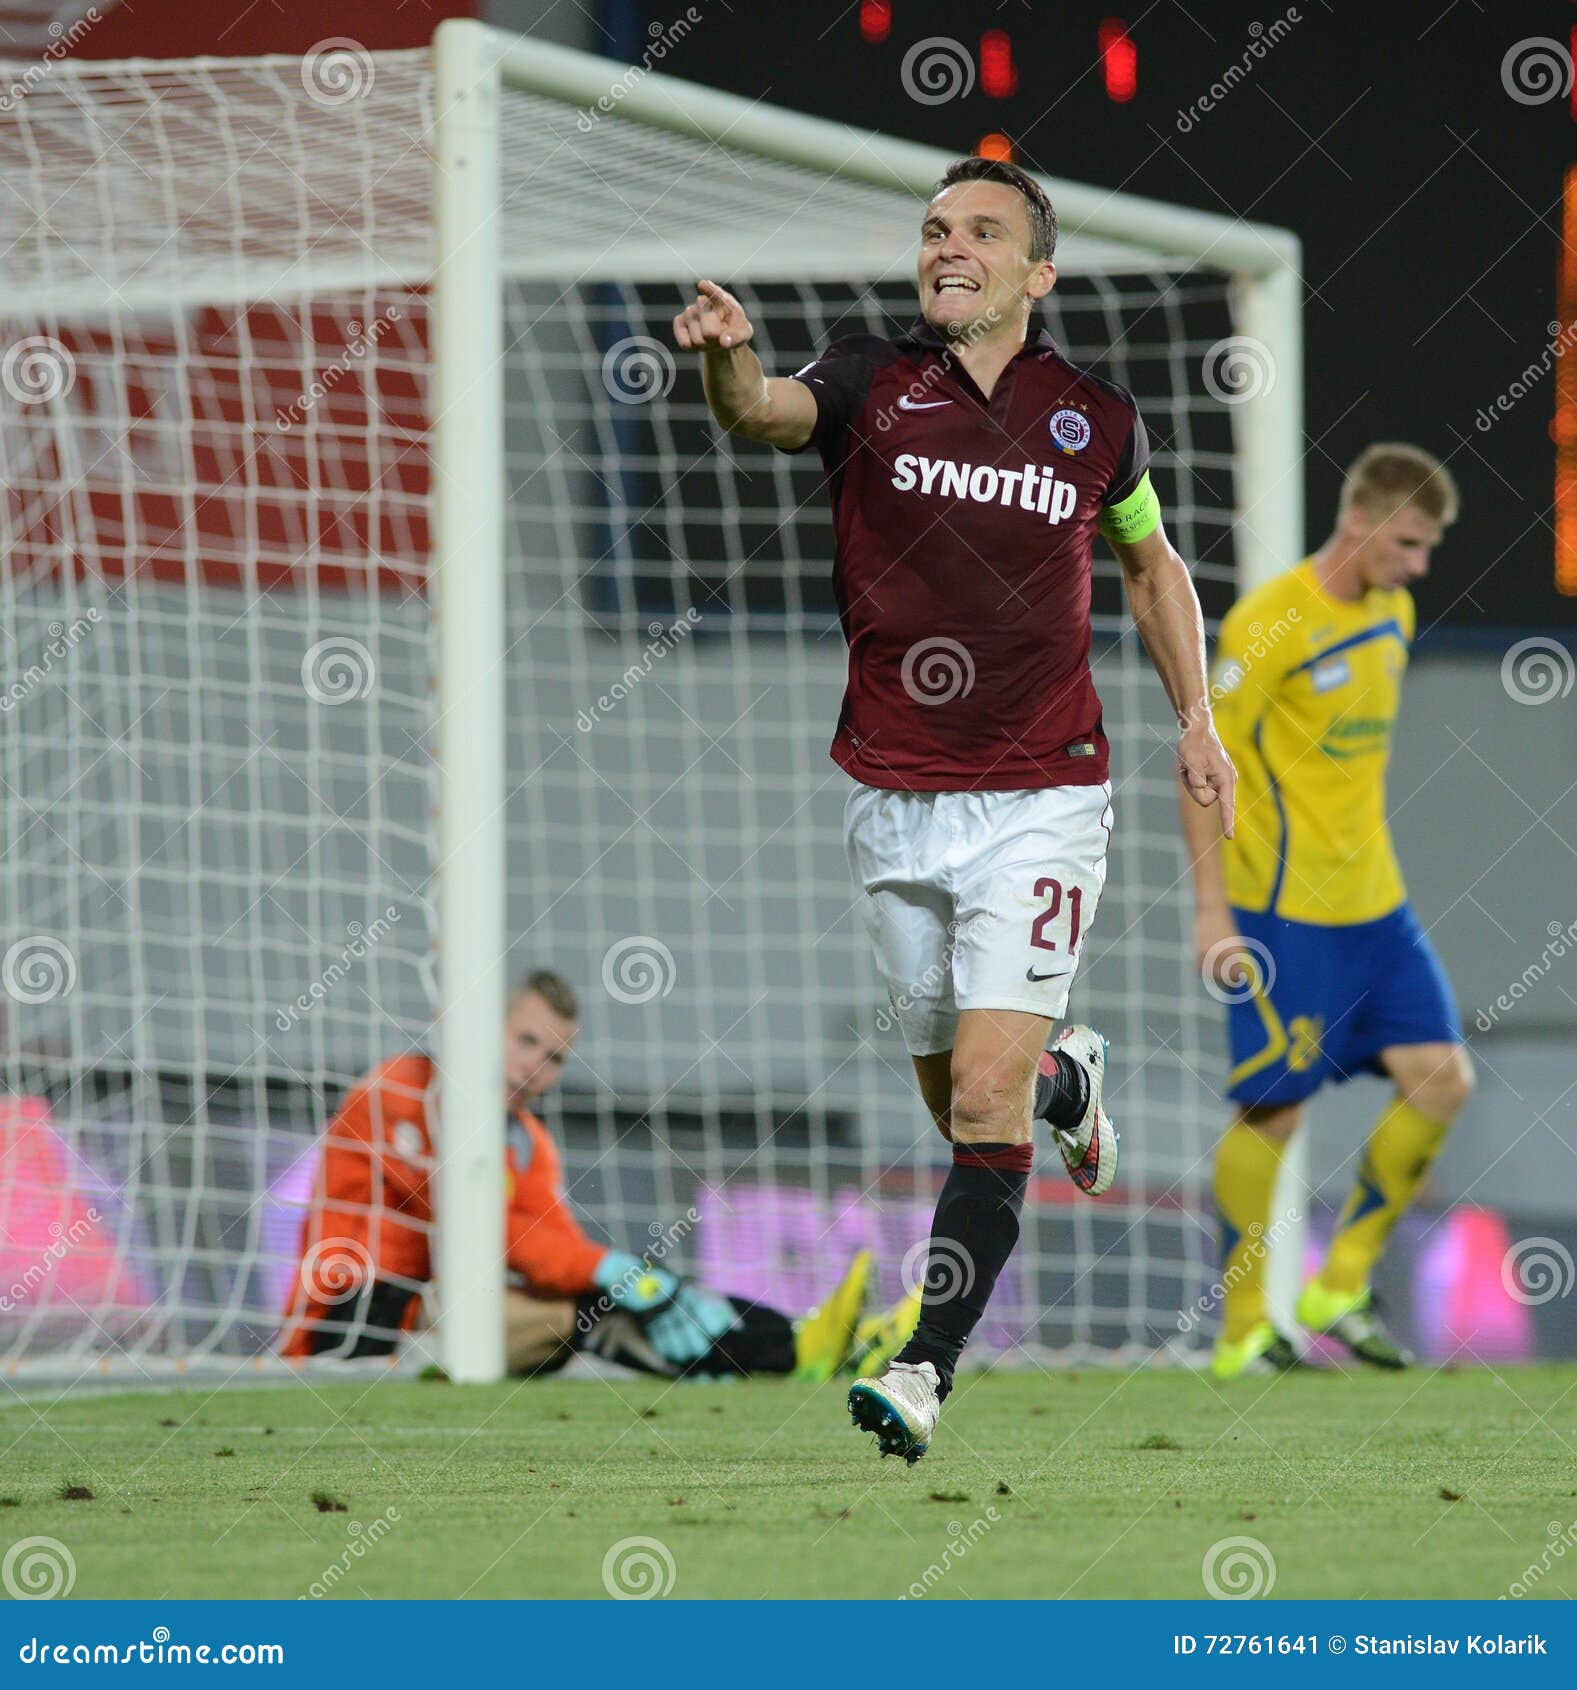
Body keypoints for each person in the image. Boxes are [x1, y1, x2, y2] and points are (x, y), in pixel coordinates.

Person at [674, 157, 1232, 1460]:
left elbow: (1152, 568)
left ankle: (922, 1369)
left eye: (981, 231)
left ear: (1038, 271)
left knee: (977, 1099)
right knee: (965, 1101)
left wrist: (1194, 718)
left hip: (1044, 793)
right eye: (934, 229)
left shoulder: (1095, 419)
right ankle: (1065, 1078)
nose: (949, 246)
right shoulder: (870, 382)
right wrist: (724, 357)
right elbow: (755, 412)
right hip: (891, 800)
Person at [1180, 444, 1474, 1378]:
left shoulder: (1393, 614)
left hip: (1375, 907)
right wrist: (1210, 913)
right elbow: (1198, 765)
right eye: (1411, 543)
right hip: (1280, 912)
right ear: (1360, 523)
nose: (1419, 565)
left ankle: (1337, 1286)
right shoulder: (1269, 625)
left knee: (1441, 1078)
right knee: (1274, 1112)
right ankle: (1237, 1337)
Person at [280, 969, 918, 1380]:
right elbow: (502, 1235)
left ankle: (803, 1340)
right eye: (526, 1041)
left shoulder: (527, 1142)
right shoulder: (400, 1091)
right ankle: (798, 1352)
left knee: (624, 1298)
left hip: (435, 1322)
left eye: (555, 1057)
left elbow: (556, 1240)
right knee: (600, 1296)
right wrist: (608, 1272)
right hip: (352, 1321)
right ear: (485, 1028)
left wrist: (633, 1276)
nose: (536, 1067)